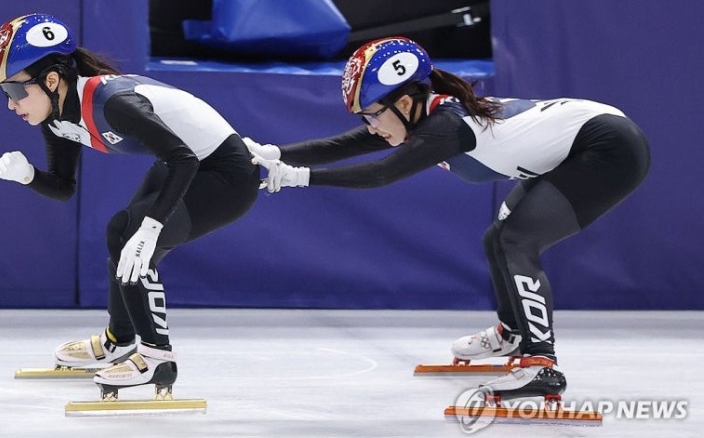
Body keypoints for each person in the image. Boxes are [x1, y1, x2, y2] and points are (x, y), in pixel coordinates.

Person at [245, 36, 650, 400]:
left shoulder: (444, 126)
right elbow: (344, 145)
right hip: (577, 147)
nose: (369, 126)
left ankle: (542, 364)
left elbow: (380, 173)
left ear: (404, 103)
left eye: (370, 115)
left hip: (608, 149)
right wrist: (276, 153)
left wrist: (300, 178)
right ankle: (514, 334)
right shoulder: (422, 116)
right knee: (498, 238)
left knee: (518, 241)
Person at [0, 13, 259, 395]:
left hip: (226, 174)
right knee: (125, 240)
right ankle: (118, 339)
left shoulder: (112, 102)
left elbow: (185, 159)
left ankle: (157, 358)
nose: (11, 105)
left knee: (128, 231)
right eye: (4, 94)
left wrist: (151, 228)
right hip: (182, 163)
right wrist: (29, 175)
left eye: (14, 92)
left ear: (51, 80)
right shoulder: (56, 117)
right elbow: (64, 187)